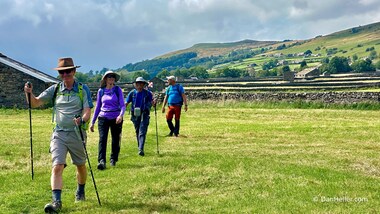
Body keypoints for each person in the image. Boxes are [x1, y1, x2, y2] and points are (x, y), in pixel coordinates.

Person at [24, 57, 93, 213]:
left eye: (68, 71)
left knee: (80, 165)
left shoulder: (83, 89)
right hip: (59, 133)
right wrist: (28, 93)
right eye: (62, 72)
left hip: (77, 133)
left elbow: (87, 110)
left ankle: (80, 190)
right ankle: (56, 202)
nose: (65, 74)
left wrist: (82, 119)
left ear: (74, 71)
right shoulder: (54, 89)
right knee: (57, 166)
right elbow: (35, 103)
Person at [90, 71, 125, 170]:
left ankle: (113, 159)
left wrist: (120, 115)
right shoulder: (101, 91)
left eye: (113, 77)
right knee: (102, 139)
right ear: (105, 79)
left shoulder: (118, 90)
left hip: (116, 118)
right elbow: (97, 107)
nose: (111, 78)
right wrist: (92, 122)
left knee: (115, 139)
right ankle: (101, 161)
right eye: (109, 77)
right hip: (103, 118)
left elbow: (122, 105)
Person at [125, 77, 155, 156]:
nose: (139, 85)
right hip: (135, 114)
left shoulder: (147, 93)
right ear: (135, 85)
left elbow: (152, 102)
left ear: (144, 84)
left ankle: (141, 148)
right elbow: (126, 102)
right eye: (138, 84)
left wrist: (154, 103)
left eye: (141, 84)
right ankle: (140, 147)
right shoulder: (132, 93)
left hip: (144, 114)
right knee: (137, 130)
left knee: (142, 131)